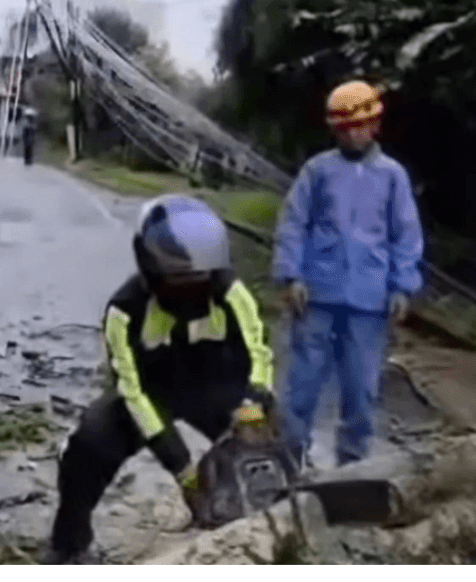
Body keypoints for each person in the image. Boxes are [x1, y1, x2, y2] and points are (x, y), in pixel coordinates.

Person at [42, 194, 276, 565]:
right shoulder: (124, 312)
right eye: (179, 282)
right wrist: (182, 469)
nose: (192, 292)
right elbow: (132, 393)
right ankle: (69, 545)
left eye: (200, 281)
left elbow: (259, 353)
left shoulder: (232, 294)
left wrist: (254, 403)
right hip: (151, 394)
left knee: (271, 447)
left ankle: (265, 525)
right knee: (86, 447)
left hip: (215, 389)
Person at [272, 79, 425, 469]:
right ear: (334, 130)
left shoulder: (392, 177)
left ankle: (352, 466)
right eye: (344, 128)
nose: (352, 134)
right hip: (318, 296)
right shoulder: (317, 172)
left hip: (369, 300)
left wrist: (402, 286)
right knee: (303, 385)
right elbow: (293, 223)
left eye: (359, 126)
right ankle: (290, 461)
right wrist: (292, 276)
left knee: (361, 389)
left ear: (375, 125)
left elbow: (405, 235)